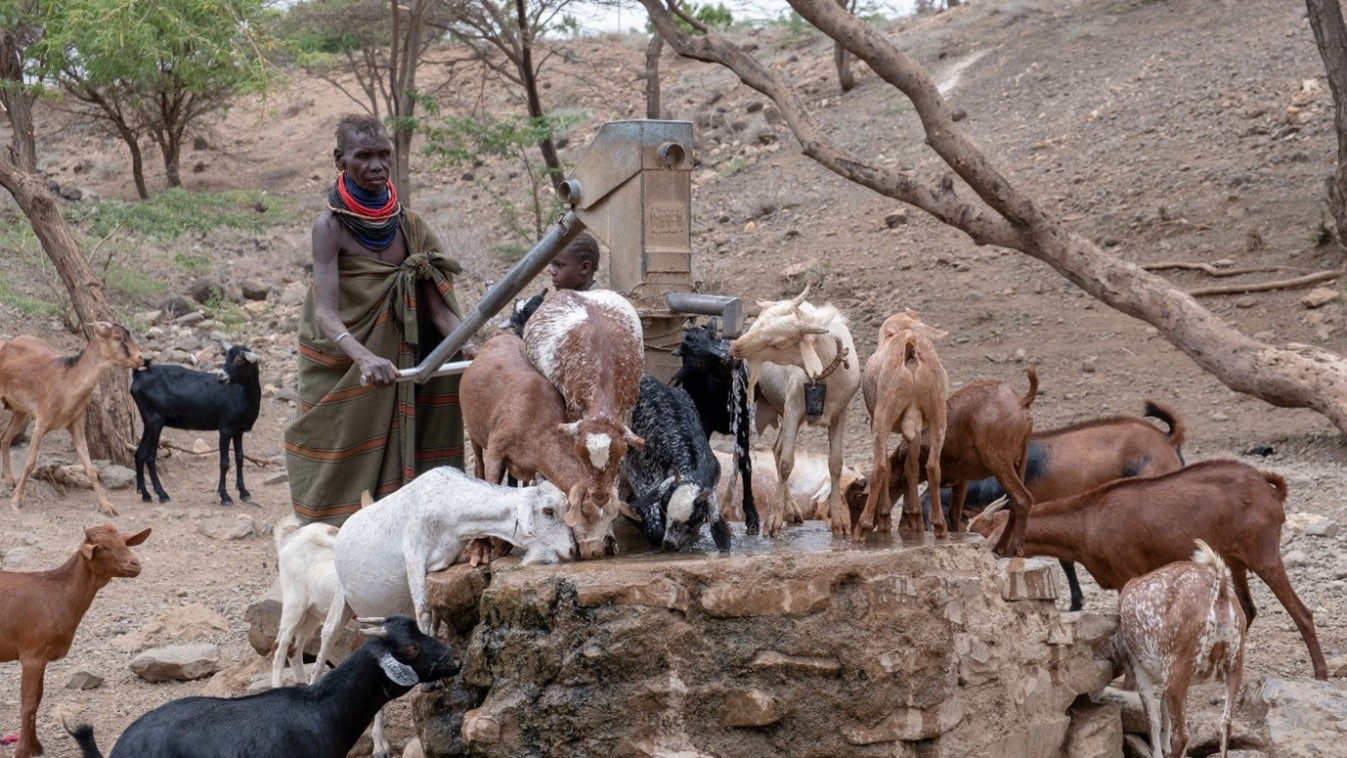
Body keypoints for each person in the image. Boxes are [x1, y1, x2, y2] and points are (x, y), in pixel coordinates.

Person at [285, 114, 474, 525]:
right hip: (341, 364)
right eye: (363, 156)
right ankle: (333, 540)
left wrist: (475, 347)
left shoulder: (410, 225)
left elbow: (439, 312)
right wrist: (365, 358)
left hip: (404, 361)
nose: (376, 165)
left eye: (383, 155)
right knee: (337, 455)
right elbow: (326, 312)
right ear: (340, 160)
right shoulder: (329, 228)